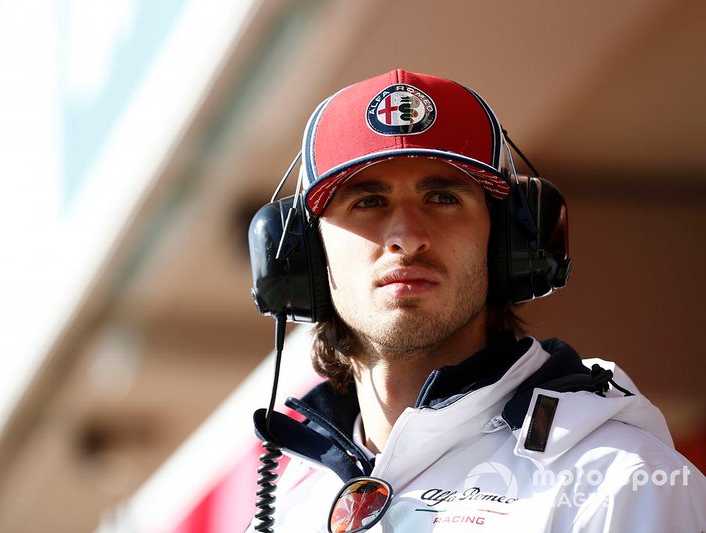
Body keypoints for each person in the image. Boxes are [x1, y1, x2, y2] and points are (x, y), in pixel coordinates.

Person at [248, 69, 706, 532]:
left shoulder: (618, 483)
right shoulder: (292, 504)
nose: (407, 238)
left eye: (443, 197)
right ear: (303, 256)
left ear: (507, 244)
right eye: (368, 202)